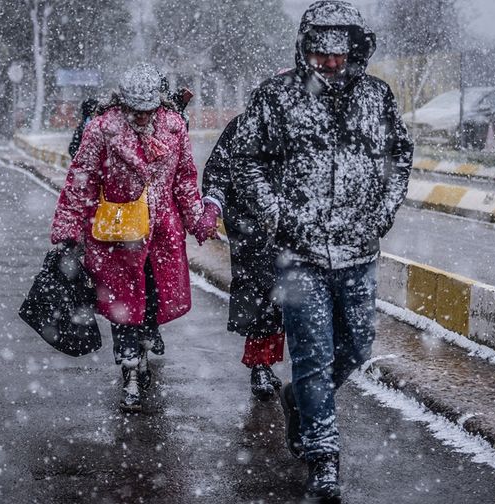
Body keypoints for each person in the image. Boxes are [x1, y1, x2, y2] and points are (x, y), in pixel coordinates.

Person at [231, 1, 413, 501]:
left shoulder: (377, 97)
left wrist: (384, 209)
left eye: (339, 54)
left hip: (359, 250)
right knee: (312, 357)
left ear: (355, 51)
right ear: (305, 50)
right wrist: (278, 214)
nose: (329, 63)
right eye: (320, 53)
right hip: (299, 253)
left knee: (356, 347)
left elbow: (400, 154)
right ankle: (323, 456)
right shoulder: (276, 97)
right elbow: (245, 161)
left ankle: (299, 401)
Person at [50, 62, 217, 412]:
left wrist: (198, 219)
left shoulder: (174, 127)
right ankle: (130, 372)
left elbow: (185, 178)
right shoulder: (101, 130)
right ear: (122, 104)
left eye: (148, 111)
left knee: (152, 299)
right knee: (123, 306)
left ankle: (144, 344)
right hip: (116, 234)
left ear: (158, 105)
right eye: (135, 111)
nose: (142, 118)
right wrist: (69, 230)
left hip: (161, 235)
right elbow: (81, 180)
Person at [200, 113, 285, 401]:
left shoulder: (306, 123)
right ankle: (259, 364)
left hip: (290, 227)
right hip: (251, 225)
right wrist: (213, 206)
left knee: (282, 297)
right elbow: (217, 171)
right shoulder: (244, 126)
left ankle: (269, 361)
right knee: (260, 291)